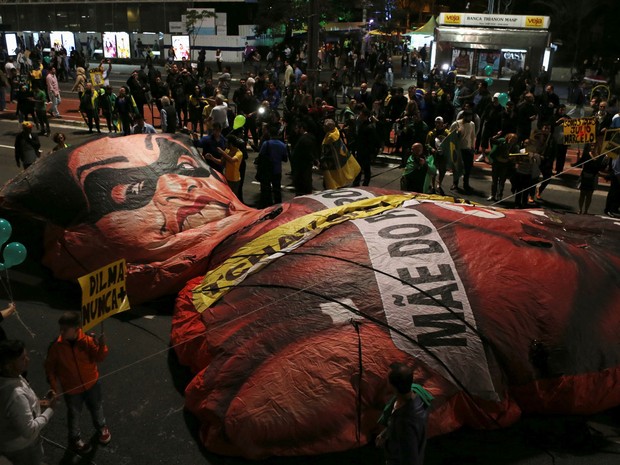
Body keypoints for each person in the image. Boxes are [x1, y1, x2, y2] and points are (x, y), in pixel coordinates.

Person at [45, 311, 111, 454]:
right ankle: (75, 438)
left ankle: (101, 427)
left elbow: (99, 357)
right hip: (71, 389)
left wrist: (102, 346)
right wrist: (53, 387)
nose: (61, 332)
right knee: (74, 414)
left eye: (64, 329)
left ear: (76, 329)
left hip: (92, 383)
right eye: (60, 329)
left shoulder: (87, 340)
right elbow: (50, 368)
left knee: (97, 407)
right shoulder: (56, 347)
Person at [0, 339, 56, 465]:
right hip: (22, 447)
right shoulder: (16, 395)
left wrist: (41, 402)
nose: (28, 360)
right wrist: (50, 409)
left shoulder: (11, 376)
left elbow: (16, 409)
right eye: (22, 358)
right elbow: (29, 430)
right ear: (9, 366)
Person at [375, 362, 431, 465]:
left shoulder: (405, 422)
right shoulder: (416, 397)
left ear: (393, 386)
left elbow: (410, 458)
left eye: (387, 379)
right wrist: (385, 434)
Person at [256, 124, 288, 207]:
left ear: (269, 134)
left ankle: (267, 206)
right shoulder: (282, 145)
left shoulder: (266, 144)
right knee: (277, 190)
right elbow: (285, 159)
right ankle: (278, 207)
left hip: (267, 170)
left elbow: (261, 155)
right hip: (277, 170)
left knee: (266, 190)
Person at [290, 120, 318, 195]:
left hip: (302, 167)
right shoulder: (311, 137)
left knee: (302, 188)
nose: (295, 130)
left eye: (297, 128)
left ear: (302, 128)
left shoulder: (303, 139)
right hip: (307, 166)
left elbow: (305, 153)